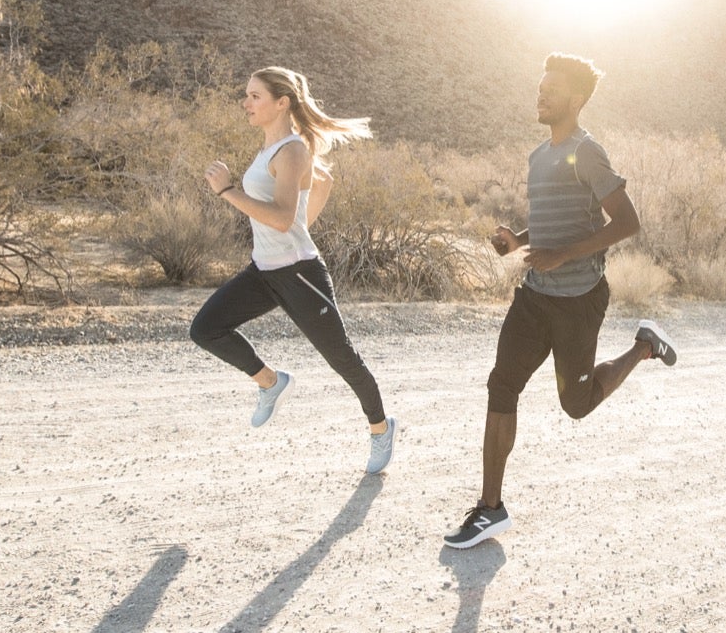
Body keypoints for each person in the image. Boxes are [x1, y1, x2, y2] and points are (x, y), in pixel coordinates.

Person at [443, 53, 678, 549]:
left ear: (575, 99)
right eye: (539, 86)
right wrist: (519, 241)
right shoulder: (538, 155)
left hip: (579, 300)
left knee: (576, 404)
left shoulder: (587, 152)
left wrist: (562, 256)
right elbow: (552, 225)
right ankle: (490, 509)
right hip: (535, 297)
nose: (541, 94)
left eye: (551, 89)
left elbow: (627, 223)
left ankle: (643, 346)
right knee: (502, 385)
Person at [191, 67, 397, 472]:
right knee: (205, 329)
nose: (246, 103)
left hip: (299, 274)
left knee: (342, 358)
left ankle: (380, 428)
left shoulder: (293, 150)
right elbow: (322, 184)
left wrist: (227, 191)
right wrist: (299, 226)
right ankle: (270, 382)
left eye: (255, 96)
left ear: (281, 102)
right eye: (247, 95)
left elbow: (283, 219)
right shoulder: (271, 149)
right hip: (263, 272)